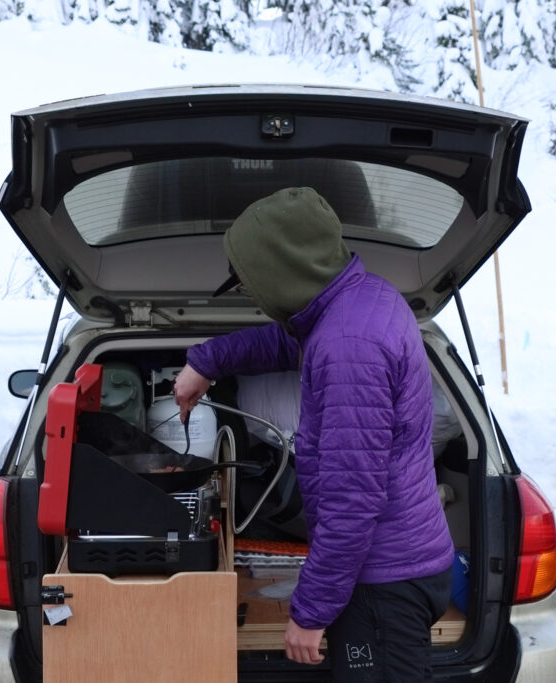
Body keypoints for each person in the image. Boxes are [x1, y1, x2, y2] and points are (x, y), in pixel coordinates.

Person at [174, 187, 455, 682]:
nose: (253, 296)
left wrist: (310, 613)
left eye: (251, 283)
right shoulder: (361, 301)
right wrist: (207, 361)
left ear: (281, 269)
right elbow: (285, 340)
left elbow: (353, 501)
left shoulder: (349, 347)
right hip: (401, 559)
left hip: (382, 583)